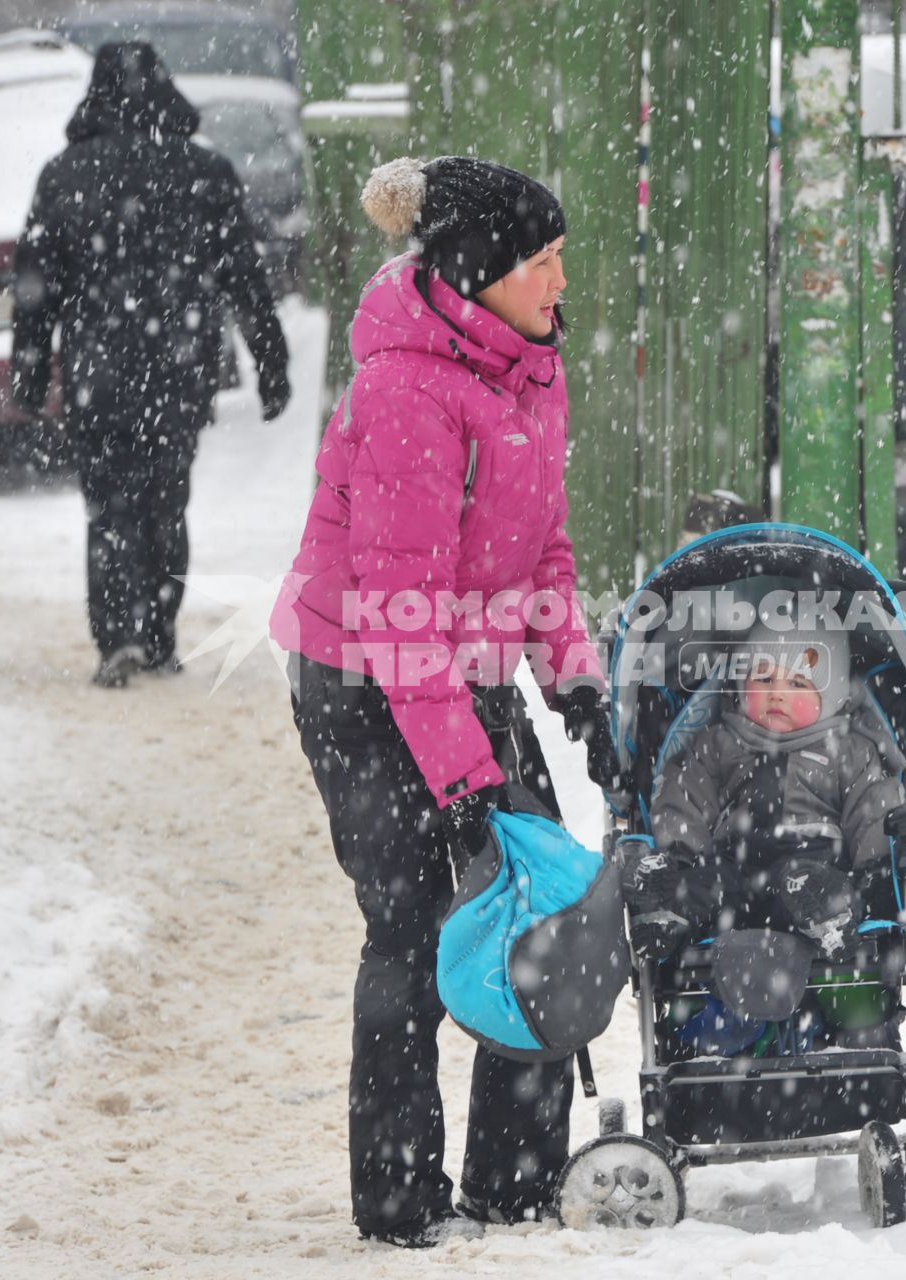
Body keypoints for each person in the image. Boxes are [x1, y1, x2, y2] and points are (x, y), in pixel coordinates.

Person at [270, 155, 622, 1248]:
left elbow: (540, 548)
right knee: (419, 920)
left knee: (542, 907)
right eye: (546, 260)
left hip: (454, 665)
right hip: (362, 680)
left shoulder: (529, 369)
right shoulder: (405, 395)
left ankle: (512, 1184)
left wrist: (571, 674)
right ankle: (400, 1204)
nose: (564, 280)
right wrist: (464, 787)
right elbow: (397, 615)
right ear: (482, 273)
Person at [12, 42, 291, 688]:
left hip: (97, 371)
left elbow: (34, 288)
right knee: (166, 501)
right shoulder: (206, 173)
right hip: (179, 367)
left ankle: (116, 639)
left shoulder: (63, 177)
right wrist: (270, 362)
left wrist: (29, 371)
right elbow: (246, 278)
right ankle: (159, 634)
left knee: (109, 506)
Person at [625, 619, 904, 978]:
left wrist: (875, 870)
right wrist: (682, 853)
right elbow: (685, 797)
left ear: (831, 697)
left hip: (813, 856)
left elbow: (872, 810)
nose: (778, 694)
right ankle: (668, 913)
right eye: (764, 679)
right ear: (742, 685)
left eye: (798, 683)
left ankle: (829, 914)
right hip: (733, 863)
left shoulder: (849, 750)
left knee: (810, 885)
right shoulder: (720, 741)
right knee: (704, 886)